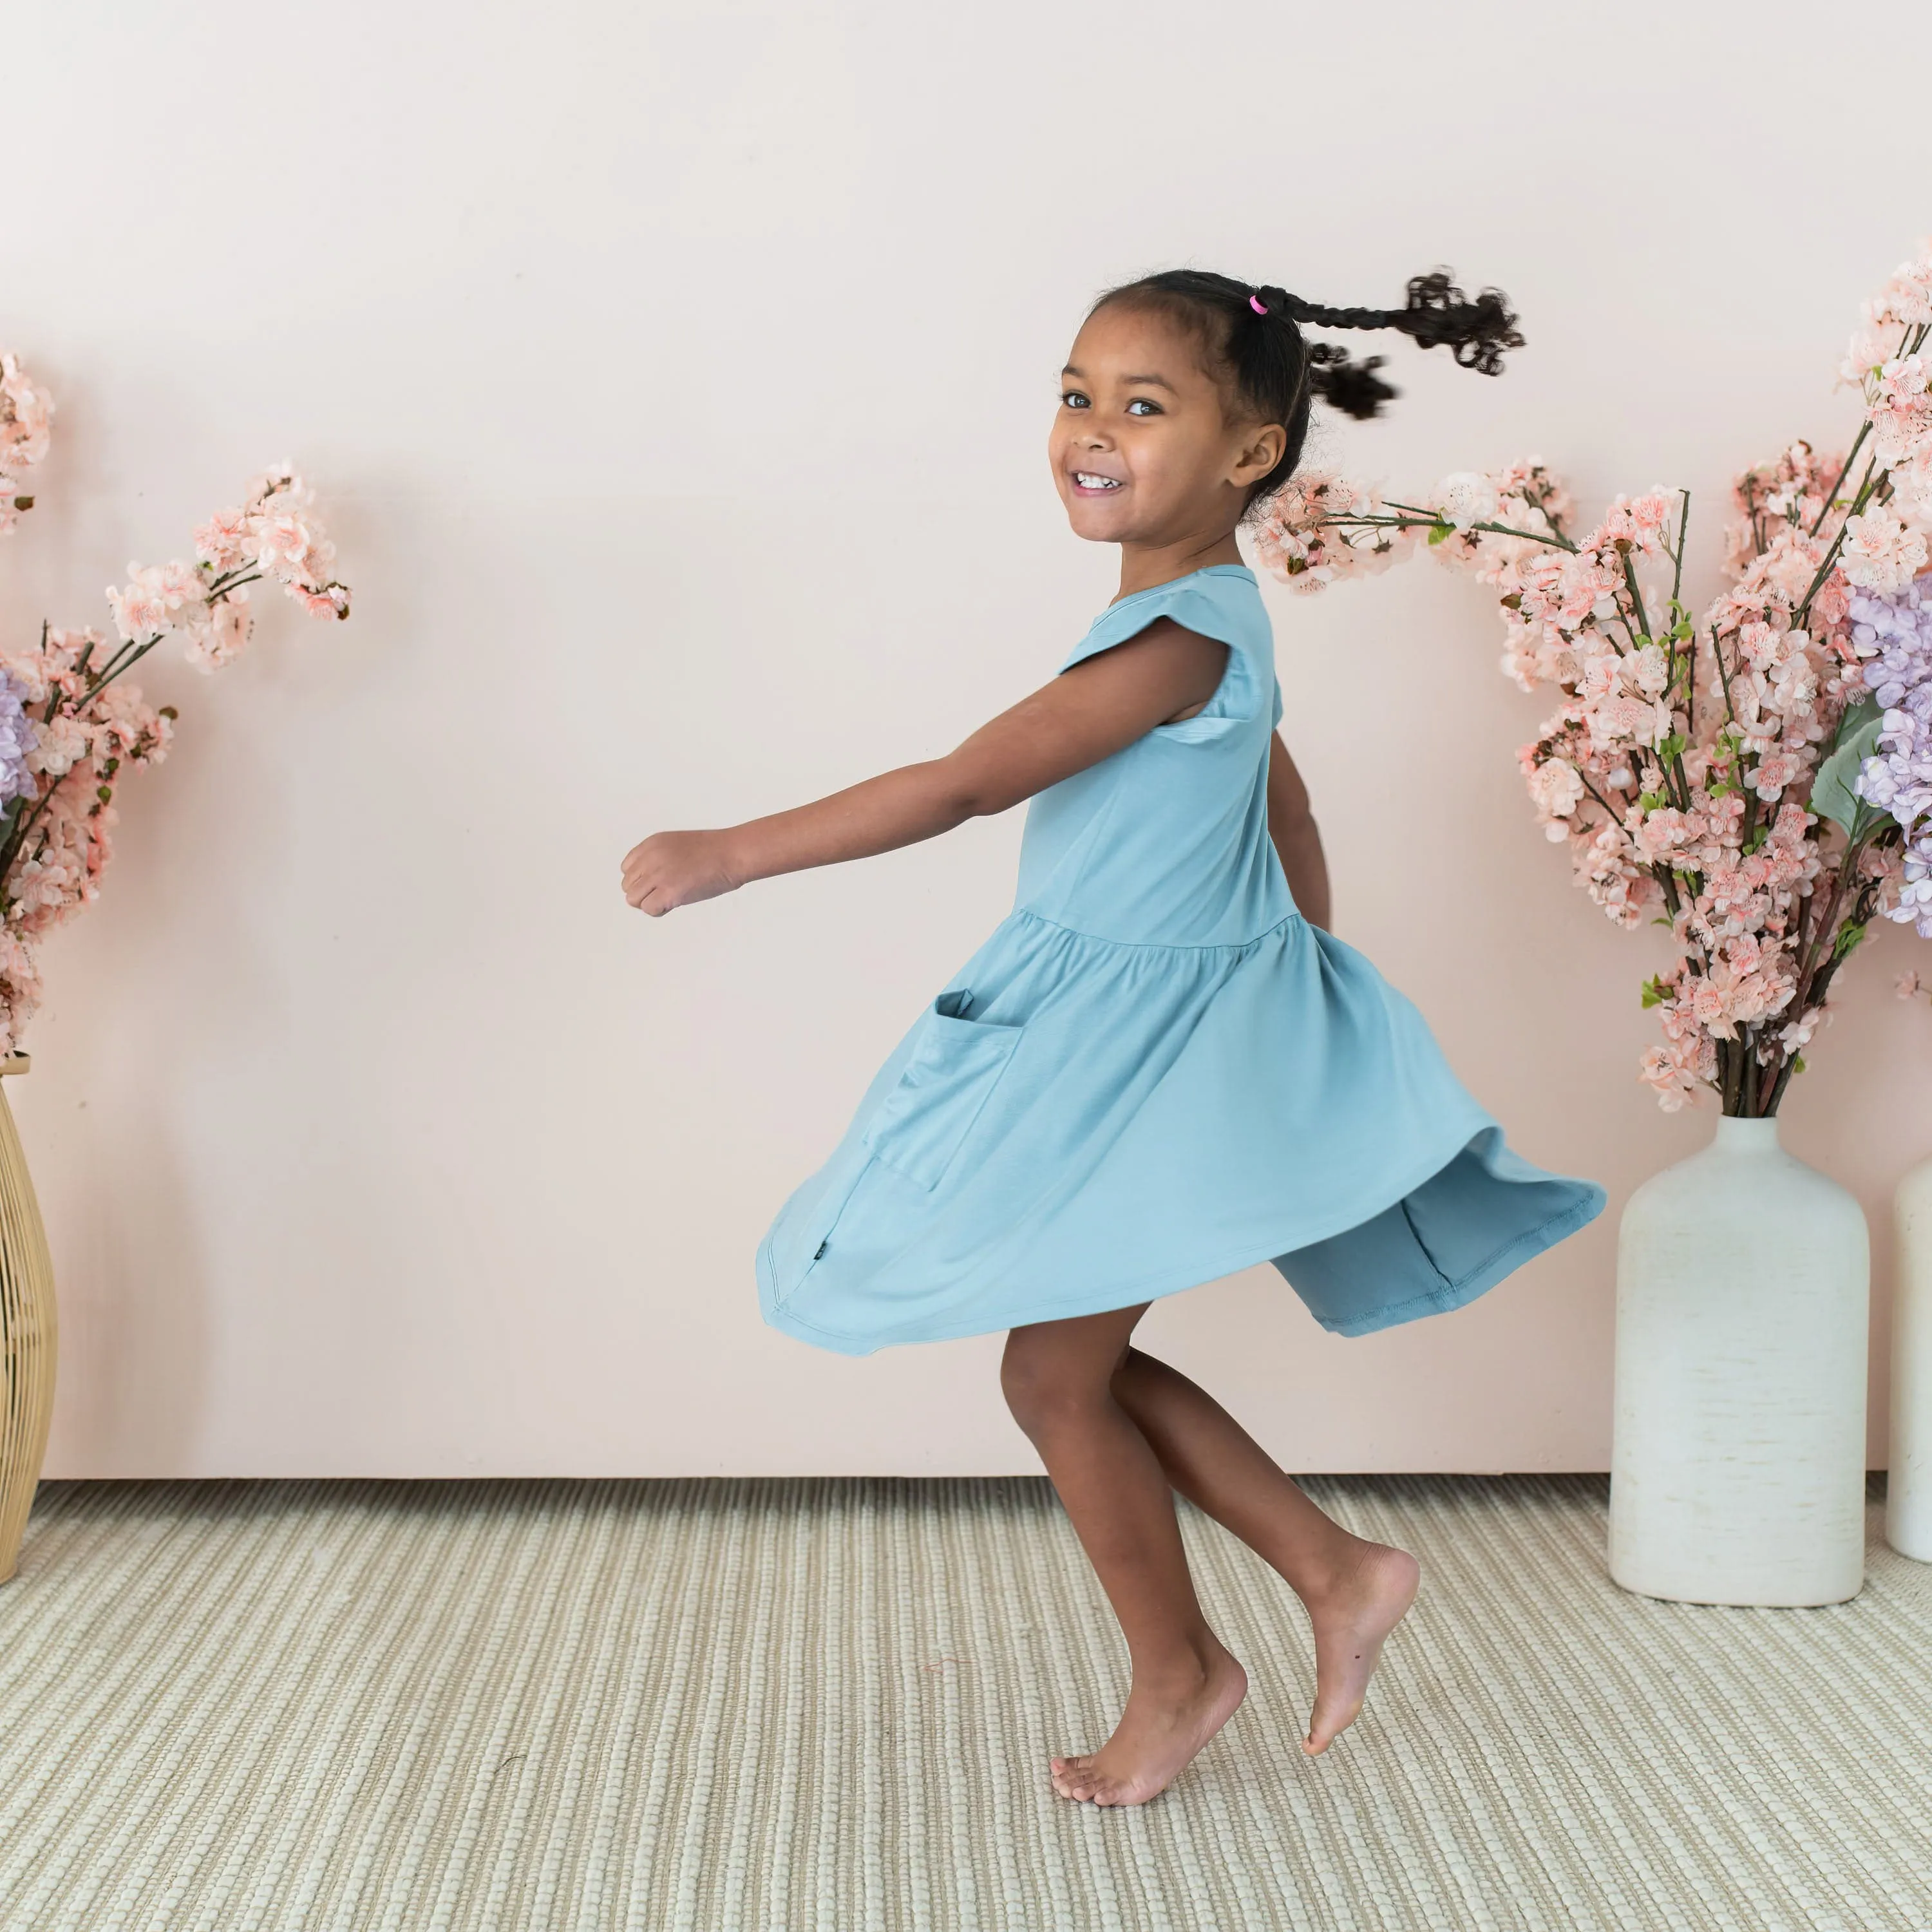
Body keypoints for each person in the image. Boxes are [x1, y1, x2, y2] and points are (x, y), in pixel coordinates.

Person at [621, 268, 1605, 1807]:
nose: (1091, 429)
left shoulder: (1177, 642)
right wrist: (1293, 970)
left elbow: (968, 781)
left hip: (1137, 1049)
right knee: (1065, 1359)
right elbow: (1282, 803)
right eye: (1076, 392)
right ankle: (1331, 1570)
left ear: (1250, 456)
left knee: (1055, 1376)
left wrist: (733, 852)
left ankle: (1190, 1671)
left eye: (1144, 406)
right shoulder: (1196, 620)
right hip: (1138, 1028)